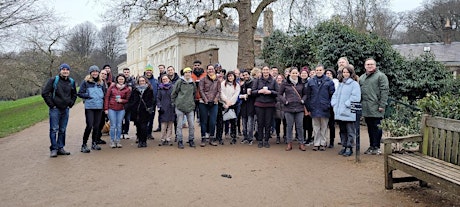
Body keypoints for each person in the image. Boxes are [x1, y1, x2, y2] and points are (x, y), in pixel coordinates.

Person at [41, 63, 77, 157]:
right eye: (63, 69)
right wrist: (52, 105)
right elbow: (45, 93)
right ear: (60, 70)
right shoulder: (54, 80)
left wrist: (71, 103)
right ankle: (54, 148)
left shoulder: (71, 81)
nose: (65, 71)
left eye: (67, 70)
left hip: (65, 109)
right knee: (53, 129)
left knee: (62, 129)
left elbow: (74, 94)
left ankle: (60, 147)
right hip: (55, 109)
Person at [359, 58, 389, 155]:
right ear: (365, 66)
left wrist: (382, 105)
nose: (369, 66)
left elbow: (384, 91)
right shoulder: (362, 77)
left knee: (377, 127)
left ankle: (377, 147)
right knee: (370, 128)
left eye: (371, 64)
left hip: (376, 107)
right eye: (367, 64)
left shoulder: (381, 76)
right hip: (366, 107)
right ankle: (372, 146)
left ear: (375, 65)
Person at [331, 65, 361, 156]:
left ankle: (349, 147)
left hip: (348, 112)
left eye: (347, 72)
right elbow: (335, 95)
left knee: (350, 131)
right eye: (344, 72)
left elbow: (356, 97)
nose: (345, 74)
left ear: (351, 73)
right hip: (340, 112)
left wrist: (346, 104)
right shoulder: (340, 84)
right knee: (342, 130)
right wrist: (334, 104)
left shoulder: (354, 84)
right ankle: (344, 145)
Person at [305, 64, 335, 151]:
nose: (318, 72)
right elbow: (308, 95)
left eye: (320, 70)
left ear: (323, 71)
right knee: (316, 126)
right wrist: (309, 106)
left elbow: (332, 95)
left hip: (325, 107)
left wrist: (329, 104)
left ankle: (323, 143)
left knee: (324, 126)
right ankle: (316, 143)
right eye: (317, 70)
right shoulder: (311, 81)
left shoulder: (329, 81)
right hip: (314, 107)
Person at [77, 65, 107, 153]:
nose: (95, 73)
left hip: (99, 107)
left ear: (98, 73)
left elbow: (104, 94)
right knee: (89, 125)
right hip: (90, 107)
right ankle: (84, 144)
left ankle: (94, 143)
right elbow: (80, 93)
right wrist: (88, 95)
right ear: (90, 73)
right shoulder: (85, 82)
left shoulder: (101, 83)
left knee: (97, 126)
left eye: (96, 71)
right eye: (93, 71)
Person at [278, 68, 307, 151]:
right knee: (289, 126)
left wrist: (303, 100)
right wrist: (285, 101)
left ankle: (301, 143)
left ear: (298, 74)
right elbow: (279, 94)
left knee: (300, 126)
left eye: (296, 73)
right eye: (293, 73)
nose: (294, 74)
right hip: (288, 108)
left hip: (299, 108)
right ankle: (289, 143)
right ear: (290, 73)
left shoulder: (302, 83)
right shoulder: (285, 83)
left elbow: (305, 94)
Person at [252, 65, 279, 148]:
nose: (265, 71)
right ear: (262, 71)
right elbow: (253, 92)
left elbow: (277, 92)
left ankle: (266, 140)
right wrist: (259, 91)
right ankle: (260, 140)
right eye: (264, 70)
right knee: (260, 123)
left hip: (270, 105)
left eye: (267, 70)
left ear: (269, 71)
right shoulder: (257, 80)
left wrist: (270, 92)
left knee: (268, 123)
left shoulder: (274, 81)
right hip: (259, 104)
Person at [171, 67, 197, 149]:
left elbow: (194, 93)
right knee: (179, 125)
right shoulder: (179, 82)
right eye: (186, 72)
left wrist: (192, 103)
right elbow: (174, 93)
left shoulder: (193, 83)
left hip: (190, 106)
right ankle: (180, 140)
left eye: (189, 72)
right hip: (180, 106)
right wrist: (175, 103)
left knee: (192, 125)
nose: (188, 74)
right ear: (184, 73)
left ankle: (191, 139)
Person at [104, 73, 131, 148]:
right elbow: (107, 97)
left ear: (124, 80)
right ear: (117, 80)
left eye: (122, 79)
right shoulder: (112, 87)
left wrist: (122, 100)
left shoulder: (127, 89)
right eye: (119, 79)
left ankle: (118, 140)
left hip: (121, 109)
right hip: (111, 108)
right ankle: (112, 140)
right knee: (113, 125)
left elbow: (128, 100)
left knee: (119, 125)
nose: (121, 80)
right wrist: (106, 108)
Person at [198, 64, 221, 147]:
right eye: (209, 69)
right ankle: (203, 138)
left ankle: (212, 138)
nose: (211, 71)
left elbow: (219, 91)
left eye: (212, 69)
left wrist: (215, 99)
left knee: (212, 121)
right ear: (206, 70)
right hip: (204, 103)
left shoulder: (217, 80)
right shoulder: (203, 79)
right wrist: (206, 100)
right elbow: (201, 90)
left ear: (214, 70)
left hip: (214, 103)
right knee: (203, 121)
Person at [128, 76, 154, 148]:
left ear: (145, 81)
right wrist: (132, 106)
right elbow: (131, 99)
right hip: (136, 111)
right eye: (140, 81)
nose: (141, 82)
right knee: (138, 127)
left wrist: (149, 108)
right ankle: (140, 140)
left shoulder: (149, 90)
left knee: (144, 127)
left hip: (145, 111)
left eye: (143, 81)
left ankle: (144, 141)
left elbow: (151, 100)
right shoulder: (135, 90)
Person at [219, 71, 241, 145]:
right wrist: (226, 101)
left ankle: (233, 137)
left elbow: (236, 95)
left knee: (233, 122)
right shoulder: (223, 84)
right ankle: (219, 137)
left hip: (233, 105)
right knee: (221, 122)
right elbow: (221, 93)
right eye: (229, 76)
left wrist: (230, 103)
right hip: (223, 105)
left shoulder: (237, 85)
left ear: (234, 77)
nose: (230, 77)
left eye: (231, 76)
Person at [157, 74, 176, 146]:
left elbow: (175, 96)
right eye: (163, 79)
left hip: (171, 108)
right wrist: (159, 106)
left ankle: (168, 139)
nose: (165, 80)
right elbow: (158, 98)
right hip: (163, 108)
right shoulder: (160, 88)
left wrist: (174, 105)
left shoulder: (173, 87)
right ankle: (162, 139)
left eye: (166, 79)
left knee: (170, 125)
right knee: (163, 125)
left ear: (169, 79)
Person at [239, 70, 256, 145]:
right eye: (244, 75)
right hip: (244, 106)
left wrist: (250, 93)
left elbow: (255, 94)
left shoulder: (254, 83)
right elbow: (239, 95)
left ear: (249, 75)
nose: (245, 76)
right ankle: (245, 137)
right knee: (244, 123)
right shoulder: (242, 85)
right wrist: (243, 96)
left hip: (251, 106)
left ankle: (250, 138)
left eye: (246, 75)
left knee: (250, 124)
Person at [325, 68, 339, 148]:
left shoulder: (336, 82)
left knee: (331, 125)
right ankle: (324, 140)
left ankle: (332, 141)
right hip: (324, 105)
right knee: (324, 125)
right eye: (327, 73)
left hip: (332, 106)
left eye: (330, 73)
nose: (328, 74)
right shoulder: (323, 82)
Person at [144, 64, 158, 140]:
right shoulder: (142, 79)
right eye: (147, 70)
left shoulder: (155, 81)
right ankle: (142, 134)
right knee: (143, 119)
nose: (148, 72)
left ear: (152, 71)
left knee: (151, 118)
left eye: (150, 70)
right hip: (143, 103)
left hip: (153, 103)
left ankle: (149, 133)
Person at [122, 67, 135, 139]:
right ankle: (121, 132)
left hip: (129, 103)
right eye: (125, 72)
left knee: (127, 119)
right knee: (121, 118)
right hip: (121, 103)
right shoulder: (120, 80)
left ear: (129, 73)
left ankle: (126, 132)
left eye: (127, 72)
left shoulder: (132, 81)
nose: (126, 73)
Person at [274, 74, 287, 144]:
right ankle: (278, 136)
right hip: (277, 107)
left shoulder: (285, 86)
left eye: (280, 78)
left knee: (285, 123)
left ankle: (285, 136)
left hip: (284, 107)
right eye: (277, 78)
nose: (279, 79)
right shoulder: (274, 86)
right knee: (277, 123)